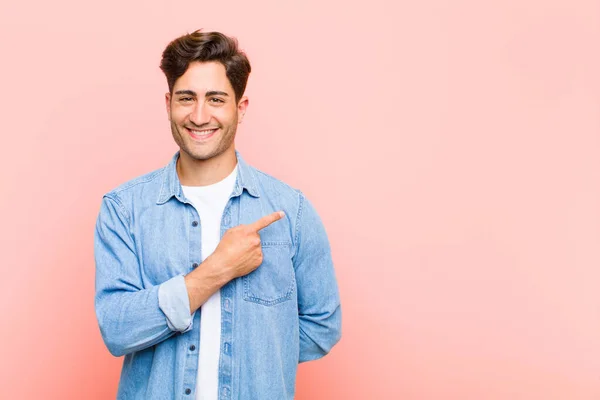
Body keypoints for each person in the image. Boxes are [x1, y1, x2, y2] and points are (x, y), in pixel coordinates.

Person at [94, 30, 342, 400]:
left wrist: (256, 366)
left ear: (239, 108)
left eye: (216, 99)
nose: (199, 115)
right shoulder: (124, 209)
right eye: (186, 98)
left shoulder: (290, 211)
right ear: (168, 104)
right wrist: (217, 270)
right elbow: (117, 328)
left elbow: (323, 325)